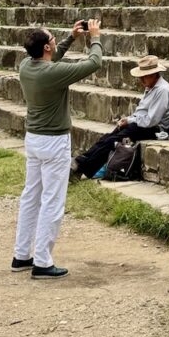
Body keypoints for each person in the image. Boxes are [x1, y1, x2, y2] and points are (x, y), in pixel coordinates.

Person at [12, 19, 103, 279]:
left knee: (31, 196)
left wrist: (70, 38)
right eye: (53, 40)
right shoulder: (52, 74)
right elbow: (94, 63)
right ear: (47, 49)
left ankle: (22, 255)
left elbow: (51, 59)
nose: (55, 42)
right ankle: (42, 260)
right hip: (53, 142)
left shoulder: (26, 66)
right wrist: (94, 37)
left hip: (33, 139)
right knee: (52, 200)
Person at [71, 55, 169, 179]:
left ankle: (83, 168)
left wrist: (130, 120)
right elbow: (142, 114)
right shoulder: (151, 87)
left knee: (112, 141)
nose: (141, 80)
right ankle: (79, 161)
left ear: (154, 74)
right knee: (107, 138)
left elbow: (151, 121)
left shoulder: (162, 90)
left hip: (154, 129)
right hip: (141, 124)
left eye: (144, 76)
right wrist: (129, 120)